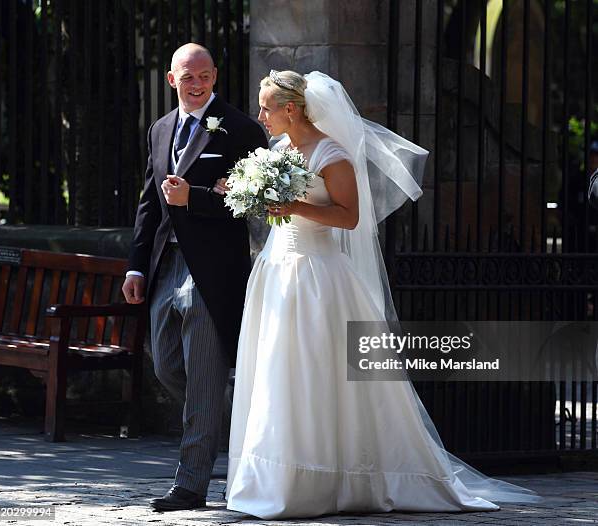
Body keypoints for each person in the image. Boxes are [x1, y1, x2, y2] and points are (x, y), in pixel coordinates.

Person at [215, 70, 542, 519]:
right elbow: (276, 211)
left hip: (318, 277)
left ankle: (330, 480)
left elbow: (348, 217)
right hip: (277, 271)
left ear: (290, 109)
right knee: (277, 371)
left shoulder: (331, 154)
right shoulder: (278, 151)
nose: (260, 115)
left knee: (317, 372)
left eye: (266, 107)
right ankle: (276, 480)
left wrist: (295, 207)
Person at [121, 43, 267, 512]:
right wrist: (136, 265)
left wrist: (196, 198)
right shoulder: (160, 129)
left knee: (203, 377)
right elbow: (150, 204)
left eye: (205, 76)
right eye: (189, 77)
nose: (198, 84)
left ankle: (191, 485)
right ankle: (234, 412)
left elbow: (254, 202)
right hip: (167, 267)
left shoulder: (242, 129)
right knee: (166, 365)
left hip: (214, 270)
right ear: (172, 80)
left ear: (215, 76)